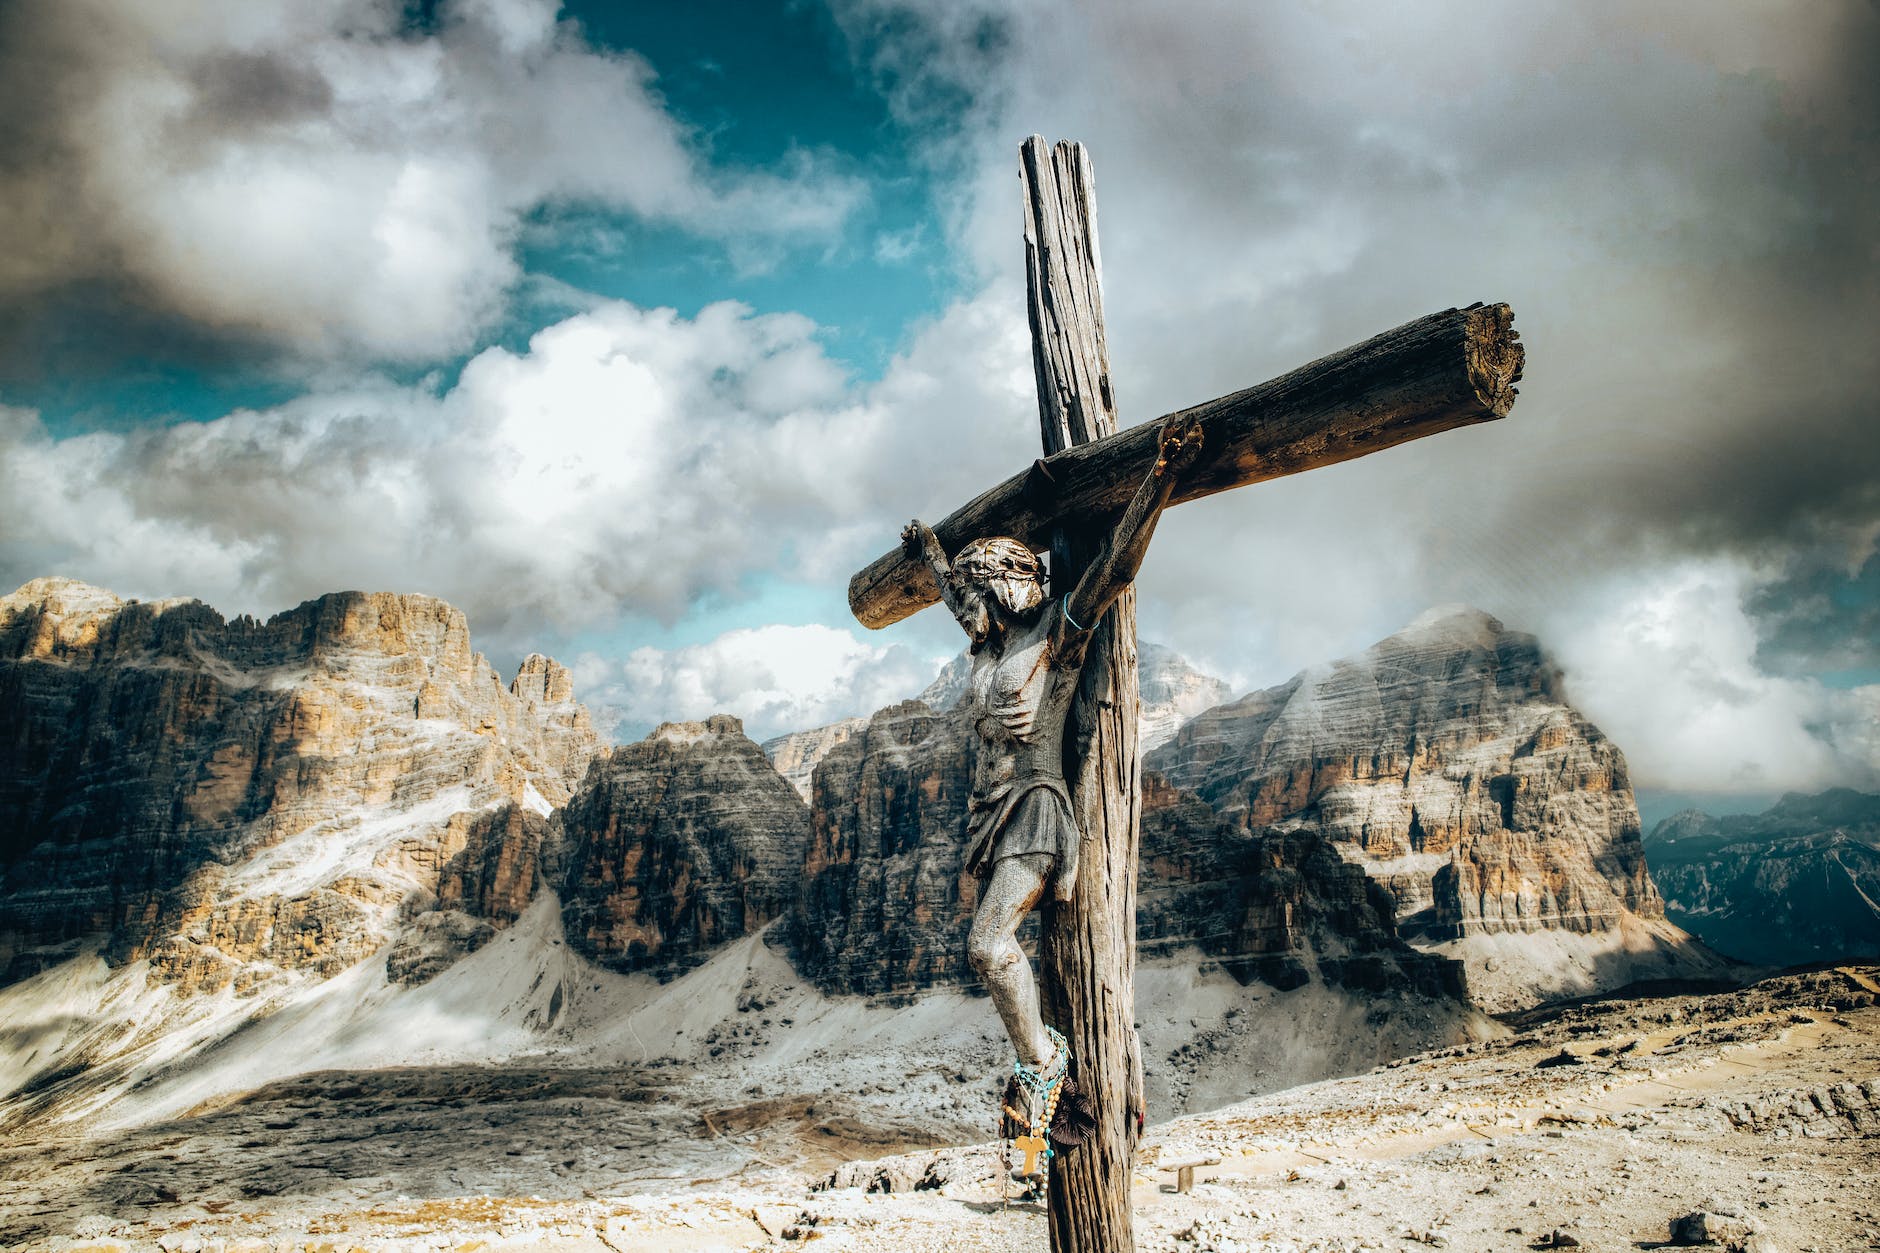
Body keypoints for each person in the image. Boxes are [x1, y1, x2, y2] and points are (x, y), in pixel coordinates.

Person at [899, 416, 1203, 1151]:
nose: (963, 614)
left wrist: (1159, 480)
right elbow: (951, 592)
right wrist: (934, 557)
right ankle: (1045, 1072)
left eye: (973, 598)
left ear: (999, 590)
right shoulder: (988, 643)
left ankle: (1044, 1062)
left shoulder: (1053, 641)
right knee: (988, 945)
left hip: (1037, 806)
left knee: (986, 944)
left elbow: (1112, 571)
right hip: (991, 812)